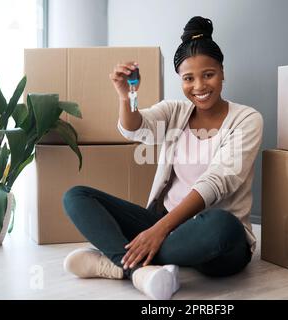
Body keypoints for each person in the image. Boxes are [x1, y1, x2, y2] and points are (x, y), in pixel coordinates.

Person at [62, 16, 264, 300]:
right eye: (188, 78)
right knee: (76, 196)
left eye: (209, 74)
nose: (199, 86)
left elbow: (218, 180)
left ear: (222, 72)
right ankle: (136, 271)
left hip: (214, 240)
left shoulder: (247, 119)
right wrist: (128, 96)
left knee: (223, 227)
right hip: (164, 224)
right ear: (180, 80)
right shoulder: (175, 112)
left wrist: (158, 231)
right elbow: (135, 129)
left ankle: (116, 259)